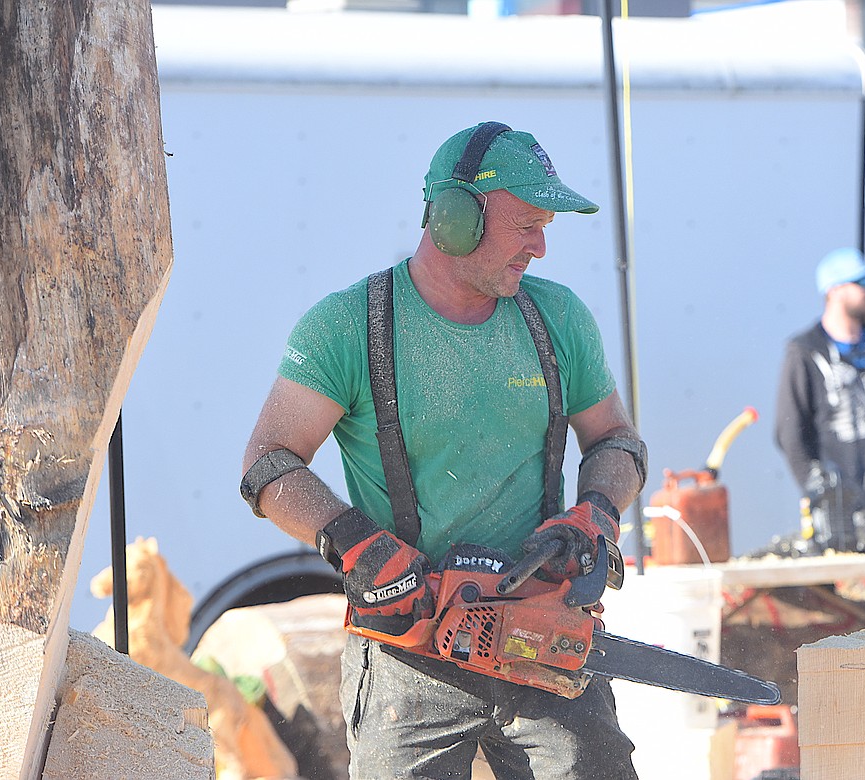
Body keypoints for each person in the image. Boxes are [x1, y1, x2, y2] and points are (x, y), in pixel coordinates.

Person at [239, 121, 647, 779]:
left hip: (539, 633)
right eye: (526, 226)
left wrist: (596, 511)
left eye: (545, 228)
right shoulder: (349, 326)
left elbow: (616, 440)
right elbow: (269, 462)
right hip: (410, 657)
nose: (540, 247)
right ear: (456, 217)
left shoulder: (558, 319)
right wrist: (356, 542)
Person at [774, 247, 865, 553]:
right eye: (861, 283)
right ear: (834, 290)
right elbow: (789, 431)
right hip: (838, 509)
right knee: (829, 596)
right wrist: (818, 491)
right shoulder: (805, 351)